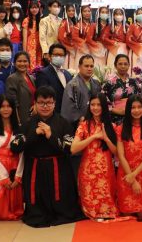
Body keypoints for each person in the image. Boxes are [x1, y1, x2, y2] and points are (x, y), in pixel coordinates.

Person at [21, 86, 83, 227]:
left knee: (62, 204)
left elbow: (69, 149)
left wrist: (51, 136)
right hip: (35, 168)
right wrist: (35, 134)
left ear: (55, 103)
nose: (45, 106)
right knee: (36, 207)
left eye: (49, 103)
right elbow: (16, 147)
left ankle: (60, 212)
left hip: (58, 167)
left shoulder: (63, 122)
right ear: (35, 103)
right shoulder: (29, 123)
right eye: (41, 103)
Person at [71, 93, 119, 219]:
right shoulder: (83, 125)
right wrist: (94, 137)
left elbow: (117, 153)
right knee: (91, 210)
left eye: (99, 105)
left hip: (106, 172)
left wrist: (106, 139)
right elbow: (73, 148)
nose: (96, 108)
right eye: (93, 104)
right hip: (88, 172)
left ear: (104, 107)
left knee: (108, 210)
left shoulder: (111, 126)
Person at [115, 94, 142, 220]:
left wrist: (134, 175)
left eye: (139, 107)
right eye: (133, 108)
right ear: (128, 109)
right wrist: (132, 179)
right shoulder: (120, 129)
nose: (136, 110)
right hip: (126, 173)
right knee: (126, 212)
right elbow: (120, 155)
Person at [61, 54, 101, 125]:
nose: (89, 69)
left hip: (95, 121)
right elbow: (68, 107)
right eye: (86, 66)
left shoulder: (96, 83)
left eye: (91, 66)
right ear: (79, 67)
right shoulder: (72, 85)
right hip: (77, 124)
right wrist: (79, 118)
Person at [34, 43, 73, 114]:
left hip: (67, 115)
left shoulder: (68, 74)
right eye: (56, 55)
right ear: (49, 56)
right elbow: (42, 96)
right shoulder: (43, 73)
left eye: (61, 55)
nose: (59, 57)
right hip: (51, 114)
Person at [104, 54, 142, 125]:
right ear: (115, 65)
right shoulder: (109, 82)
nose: (123, 66)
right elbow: (103, 100)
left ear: (129, 65)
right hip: (115, 117)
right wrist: (115, 110)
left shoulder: (134, 82)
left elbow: (140, 98)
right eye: (120, 64)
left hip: (133, 116)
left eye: (125, 64)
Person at [4, 51, 36, 126]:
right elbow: (13, 103)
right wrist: (18, 122)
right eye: (19, 61)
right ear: (14, 63)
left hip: (33, 116)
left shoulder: (31, 78)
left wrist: (36, 105)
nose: (22, 64)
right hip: (21, 118)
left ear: (29, 63)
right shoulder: (12, 79)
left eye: (25, 61)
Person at [58, 3, 82, 70]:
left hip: (74, 48)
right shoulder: (64, 22)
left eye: (73, 10)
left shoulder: (73, 22)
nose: (71, 12)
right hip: (68, 49)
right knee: (67, 67)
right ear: (66, 12)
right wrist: (69, 46)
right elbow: (61, 37)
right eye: (69, 11)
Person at [126, 7, 142, 72]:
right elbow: (128, 40)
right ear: (135, 15)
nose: (140, 15)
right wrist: (139, 46)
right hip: (134, 50)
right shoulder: (132, 26)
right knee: (135, 68)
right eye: (138, 14)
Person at [22, 0, 43, 70]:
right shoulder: (26, 20)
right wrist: (24, 51)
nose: (34, 9)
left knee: (39, 66)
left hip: (39, 46)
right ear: (29, 9)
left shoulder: (42, 20)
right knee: (31, 66)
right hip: (30, 46)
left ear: (39, 9)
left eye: (36, 8)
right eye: (32, 8)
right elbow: (24, 38)